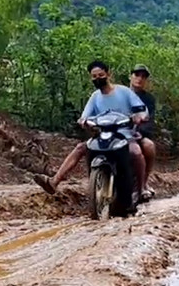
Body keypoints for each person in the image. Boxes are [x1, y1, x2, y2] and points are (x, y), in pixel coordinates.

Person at [32, 61, 150, 200]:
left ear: (108, 74)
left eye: (101, 75)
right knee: (80, 148)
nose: (98, 78)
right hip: (102, 135)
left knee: (136, 152)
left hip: (124, 134)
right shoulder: (95, 97)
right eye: (94, 76)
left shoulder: (124, 92)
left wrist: (139, 116)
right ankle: (54, 181)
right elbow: (85, 116)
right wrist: (84, 122)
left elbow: (142, 109)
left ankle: (140, 189)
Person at [129, 65, 157, 197]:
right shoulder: (120, 93)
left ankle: (143, 183)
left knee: (149, 146)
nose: (139, 79)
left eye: (143, 76)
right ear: (130, 76)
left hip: (137, 133)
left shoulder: (149, 99)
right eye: (137, 75)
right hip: (116, 130)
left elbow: (149, 120)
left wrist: (140, 132)